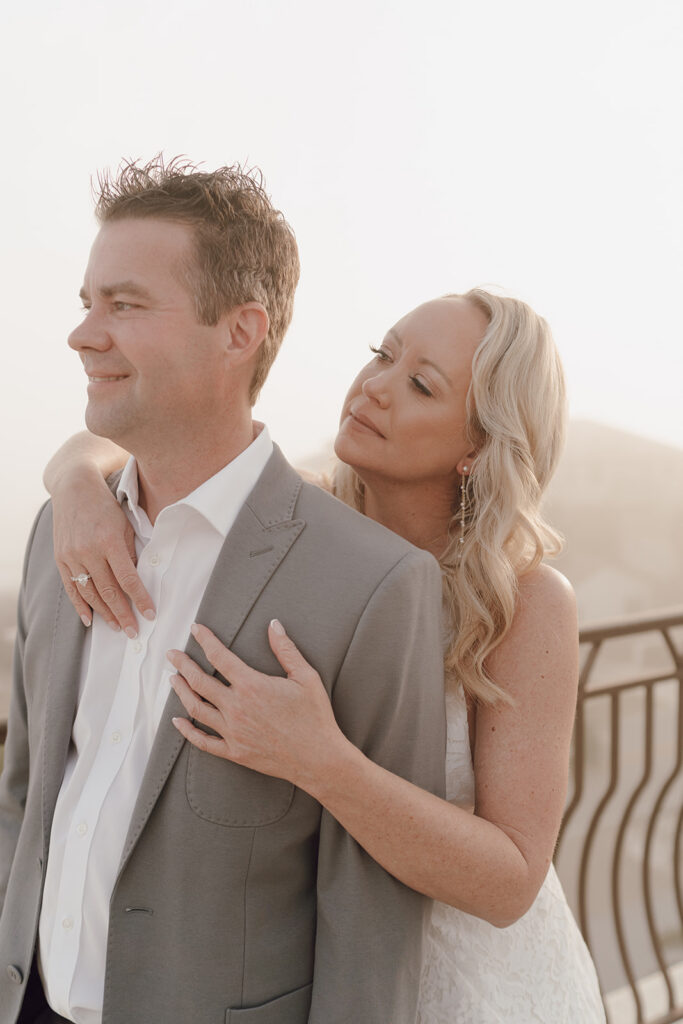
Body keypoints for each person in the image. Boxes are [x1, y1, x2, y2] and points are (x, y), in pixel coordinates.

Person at [45, 287, 607, 1023]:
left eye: (419, 384)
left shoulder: (525, 602)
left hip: (467, 988)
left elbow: (510, 883)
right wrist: (76, 486)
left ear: (477, 446)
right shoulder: (294, 520)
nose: (374, 386)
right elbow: (127, 447)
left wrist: (320, 761)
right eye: (382, 354)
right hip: (313, 972)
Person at [0, 157, 448, 1024]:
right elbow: (23, 795)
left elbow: (371, 920)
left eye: (125, 305)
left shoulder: (373, 582)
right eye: (87, 302)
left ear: (240, 331)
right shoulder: (60, 529)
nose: (83, 335)